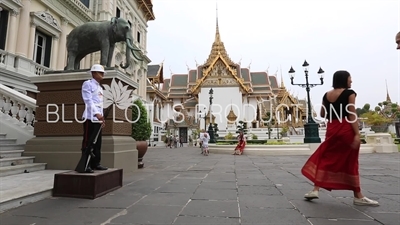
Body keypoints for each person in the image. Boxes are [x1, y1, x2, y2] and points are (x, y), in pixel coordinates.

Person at [301, 70, 379, 206]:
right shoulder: (350, 93)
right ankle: (358, 196)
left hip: (332, 128)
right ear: (344, 80)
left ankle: (315, 189)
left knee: (326, 157)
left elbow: (322, 113)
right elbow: (351, 114)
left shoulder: (326, 95)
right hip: (345, 128)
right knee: (351, 161)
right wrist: (357, 134)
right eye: (350, 78)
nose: (351, 81)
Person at [81, 64, 108, 173]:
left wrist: (101, 118)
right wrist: (96, 114)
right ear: (93, 73)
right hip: (89, 118)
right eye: (100, 72)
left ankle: (95, 163)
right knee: (88, 141)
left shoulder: (100, 88)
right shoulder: (88, 84)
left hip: (97, 119)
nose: (102, 74)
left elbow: (99, 104)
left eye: (102, 73)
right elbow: (88, 100)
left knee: (97, 143)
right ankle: (85, 164)